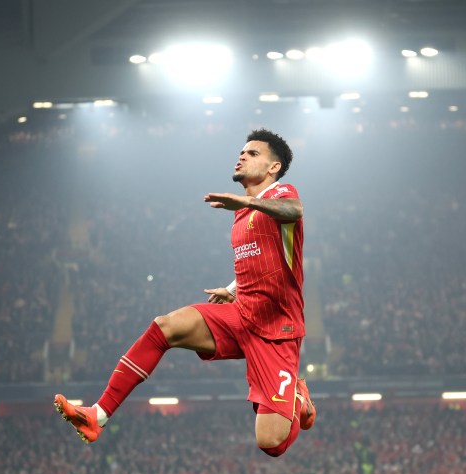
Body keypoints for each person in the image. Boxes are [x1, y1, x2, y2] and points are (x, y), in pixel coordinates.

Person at [55, 129, 316, 457]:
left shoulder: (281, 193)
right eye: (241, 151)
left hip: (278, 329)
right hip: (242, 314)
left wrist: (250, 200)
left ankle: (298, 400)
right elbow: (263, 256)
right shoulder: (241, 215)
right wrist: (233, 289)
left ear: (272, 167)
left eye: (251, 153)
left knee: (270, 444)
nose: (241, 156)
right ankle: (98, 415)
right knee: (165, 326)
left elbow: (295, 210)